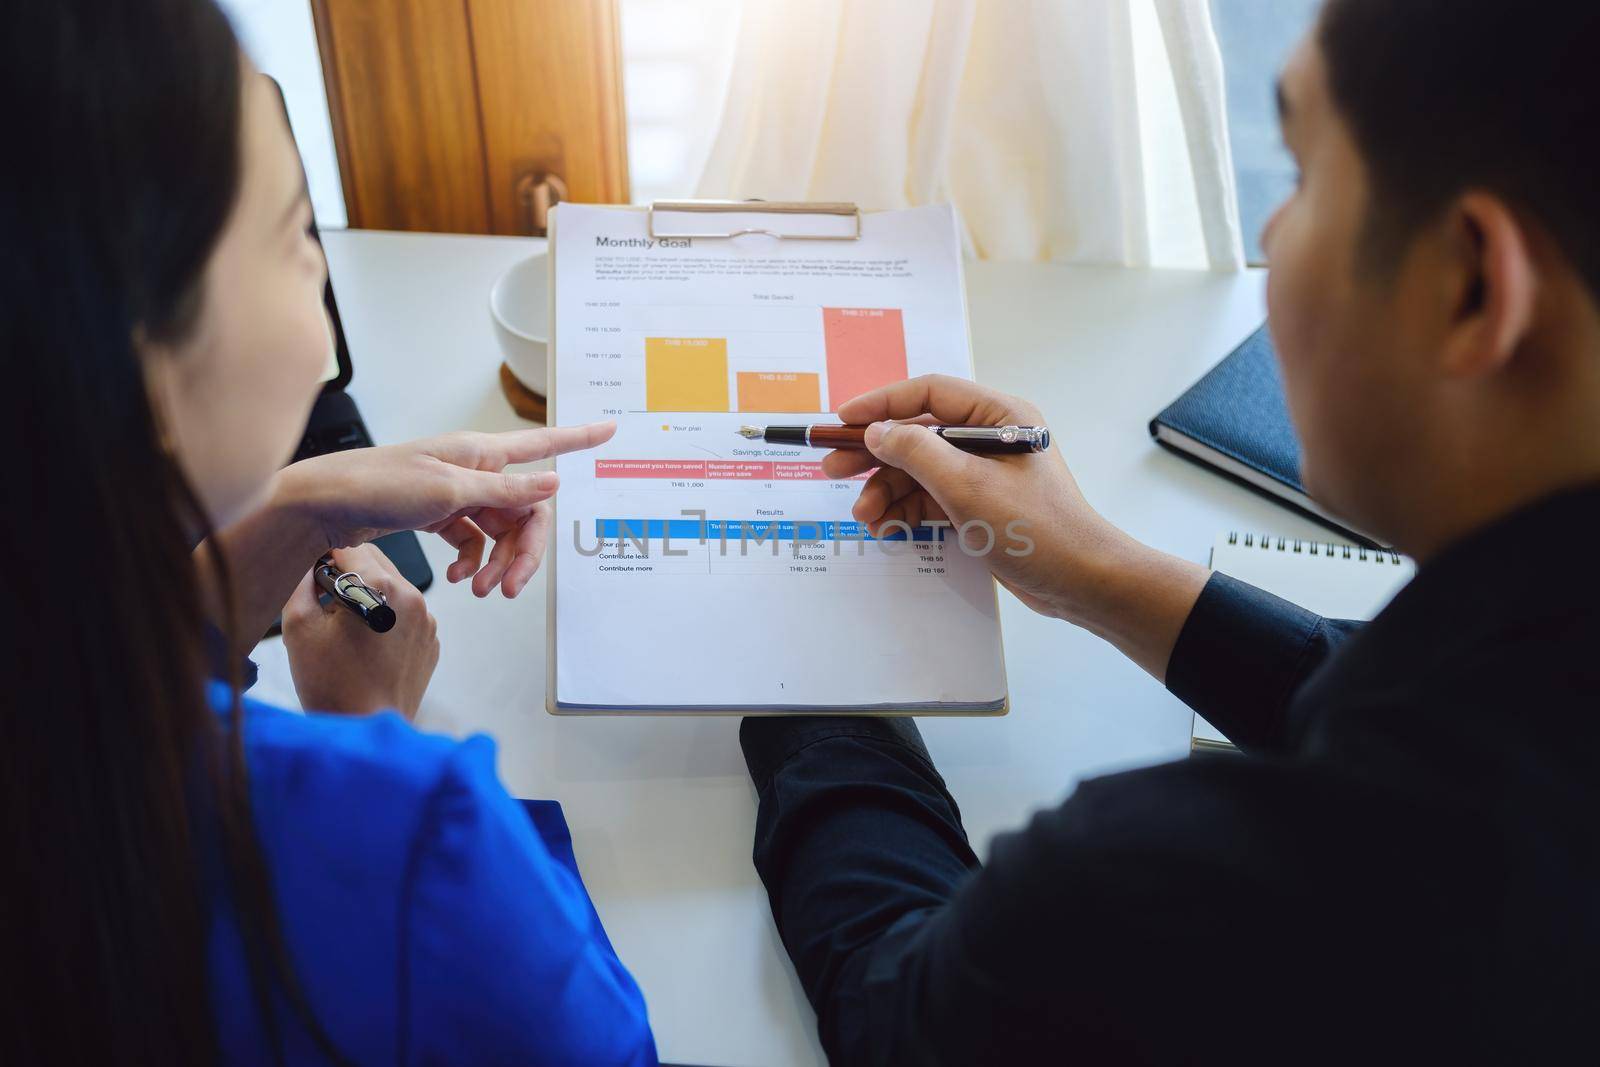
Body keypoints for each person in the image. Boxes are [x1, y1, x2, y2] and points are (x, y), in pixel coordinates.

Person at [740, 1, 1600, 1062]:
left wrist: (812, 684)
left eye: (1302, 180)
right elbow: (1446, 717)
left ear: (1469, 287)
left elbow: (898, 1008)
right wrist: (1093, 566)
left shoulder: (1177, 890)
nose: (1271, 238)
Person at [2, 1, 654, 1063]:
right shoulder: (405, 832)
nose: (317, 263)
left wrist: (286, 507)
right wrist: (373, 729)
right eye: (294, 227)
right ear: (136, 363)